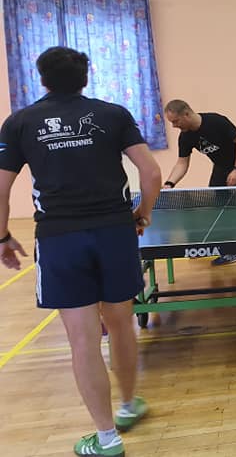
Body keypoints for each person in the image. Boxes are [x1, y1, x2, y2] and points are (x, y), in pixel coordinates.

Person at [0, 46, 160, 456]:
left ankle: (106, 438)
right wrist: (142, 213)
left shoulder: (19, 122)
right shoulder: (112, 114)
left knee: (83, 340)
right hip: (114, 233)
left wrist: (3, 237)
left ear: (42, 78)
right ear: (85, 77)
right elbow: (151, 171)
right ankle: (127, 405)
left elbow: (1, 189)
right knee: (122, 323)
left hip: (59, 239)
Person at [162, 99, 236, 265]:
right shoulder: (185, 137)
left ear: (187, 114)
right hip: (220, 166)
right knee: (216, 206)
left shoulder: (216, 121)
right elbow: (182, 162)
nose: (174, 126)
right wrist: (170, 183)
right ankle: (209, 247)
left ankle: (233, 251)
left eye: (176, 121)